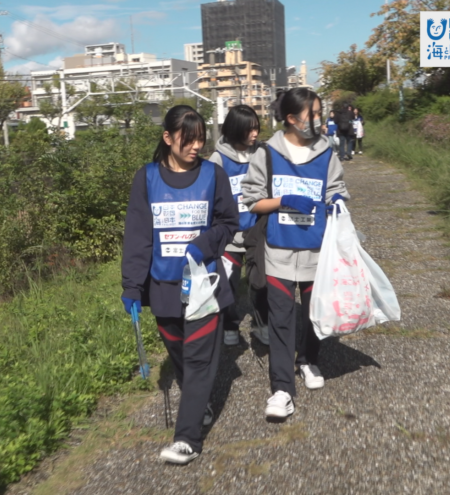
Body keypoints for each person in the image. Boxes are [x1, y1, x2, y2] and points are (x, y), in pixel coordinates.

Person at [121, 105, 239, 464]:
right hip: (163, 288)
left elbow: (228, 222)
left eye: (201, 139)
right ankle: (197, 402)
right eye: (188, 140)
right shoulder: (147, 178)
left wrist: (204, 244)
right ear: (168, 138)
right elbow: (138, 235)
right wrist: (131, 286)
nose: (196, 147)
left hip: (204, 284)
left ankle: (187, 439)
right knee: (181, 356)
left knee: (200, 359)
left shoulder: (213, 175)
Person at [241, 88, 349, 419]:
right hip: (278, 251)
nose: (318, 119)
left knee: (315, 313)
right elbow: (251, 200)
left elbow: (336, 189)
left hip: (318, 252)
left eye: (319, 113)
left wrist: (338, 201)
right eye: (312, 114)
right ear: (291, 119)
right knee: (281, 321)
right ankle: (282, 389)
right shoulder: (267, 154)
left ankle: (309, 360)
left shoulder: (326, 152)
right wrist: (283, 201)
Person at [207, 104, 270, 347]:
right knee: (228, 285)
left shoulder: (262, 154)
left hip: (257, 230)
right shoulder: (218, 159)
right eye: (249, 129)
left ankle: (261, 324)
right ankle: (230, 325)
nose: (255, 134)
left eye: (256, 128)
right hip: (230, 236)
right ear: (236, 129)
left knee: (261, 283)